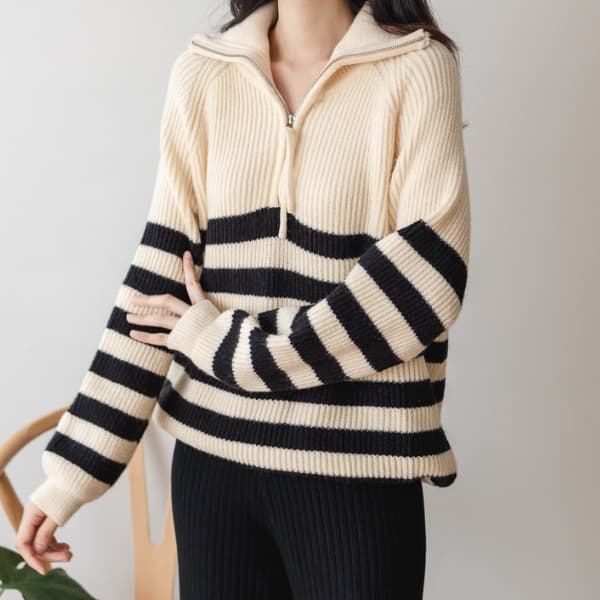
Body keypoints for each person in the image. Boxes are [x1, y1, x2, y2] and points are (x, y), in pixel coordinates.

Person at [16, 0, 471, 598]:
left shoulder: (416, 67)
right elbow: (158, 280)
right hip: (214, 470)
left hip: (358, 469)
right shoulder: (205, 72)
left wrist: (229, 349)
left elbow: (424, 285)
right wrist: (70, 477)